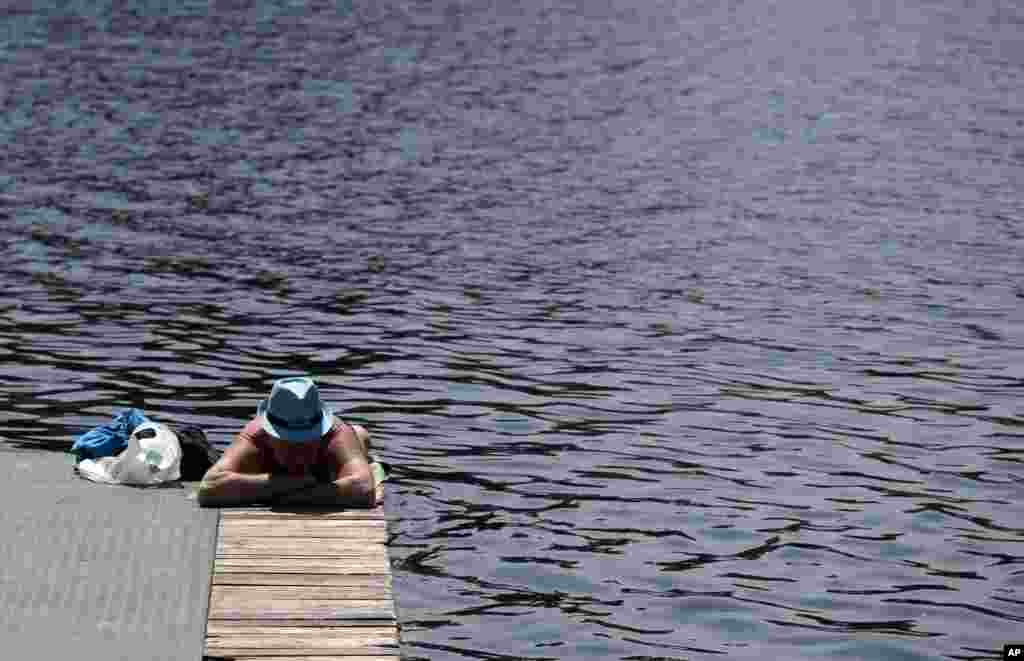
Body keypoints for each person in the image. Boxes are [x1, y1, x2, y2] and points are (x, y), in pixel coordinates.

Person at [197, 376, 377, 508]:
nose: (298, 455)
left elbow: (365, 489)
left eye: (306, 443)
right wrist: (290, 483)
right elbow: (208, 487)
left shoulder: (336, 435)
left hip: (327, 471)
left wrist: (294, 497)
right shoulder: (255, 436)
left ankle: (366, 462)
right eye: (289, 444)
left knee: (360, 435)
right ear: (269, 435)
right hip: (311, 482)